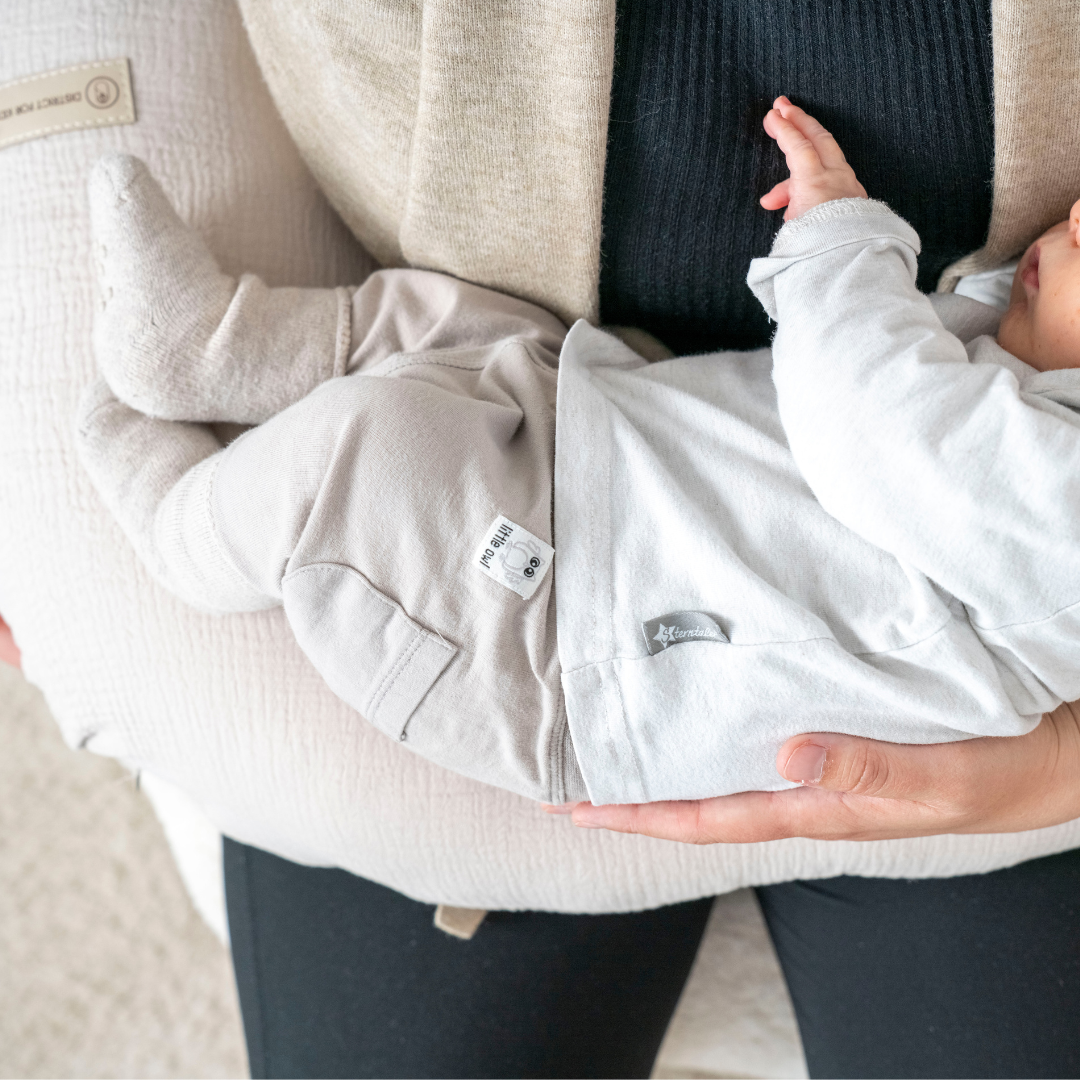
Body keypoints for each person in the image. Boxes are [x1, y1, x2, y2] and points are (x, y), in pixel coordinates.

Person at [77, 98, 1080, 813]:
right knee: (471, 335)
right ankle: (212, 348)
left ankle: (185, 530)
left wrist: (840, 232)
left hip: (561, 643)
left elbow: (871, 418)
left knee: (370, 458)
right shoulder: (1029, 384)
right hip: (591, 455)